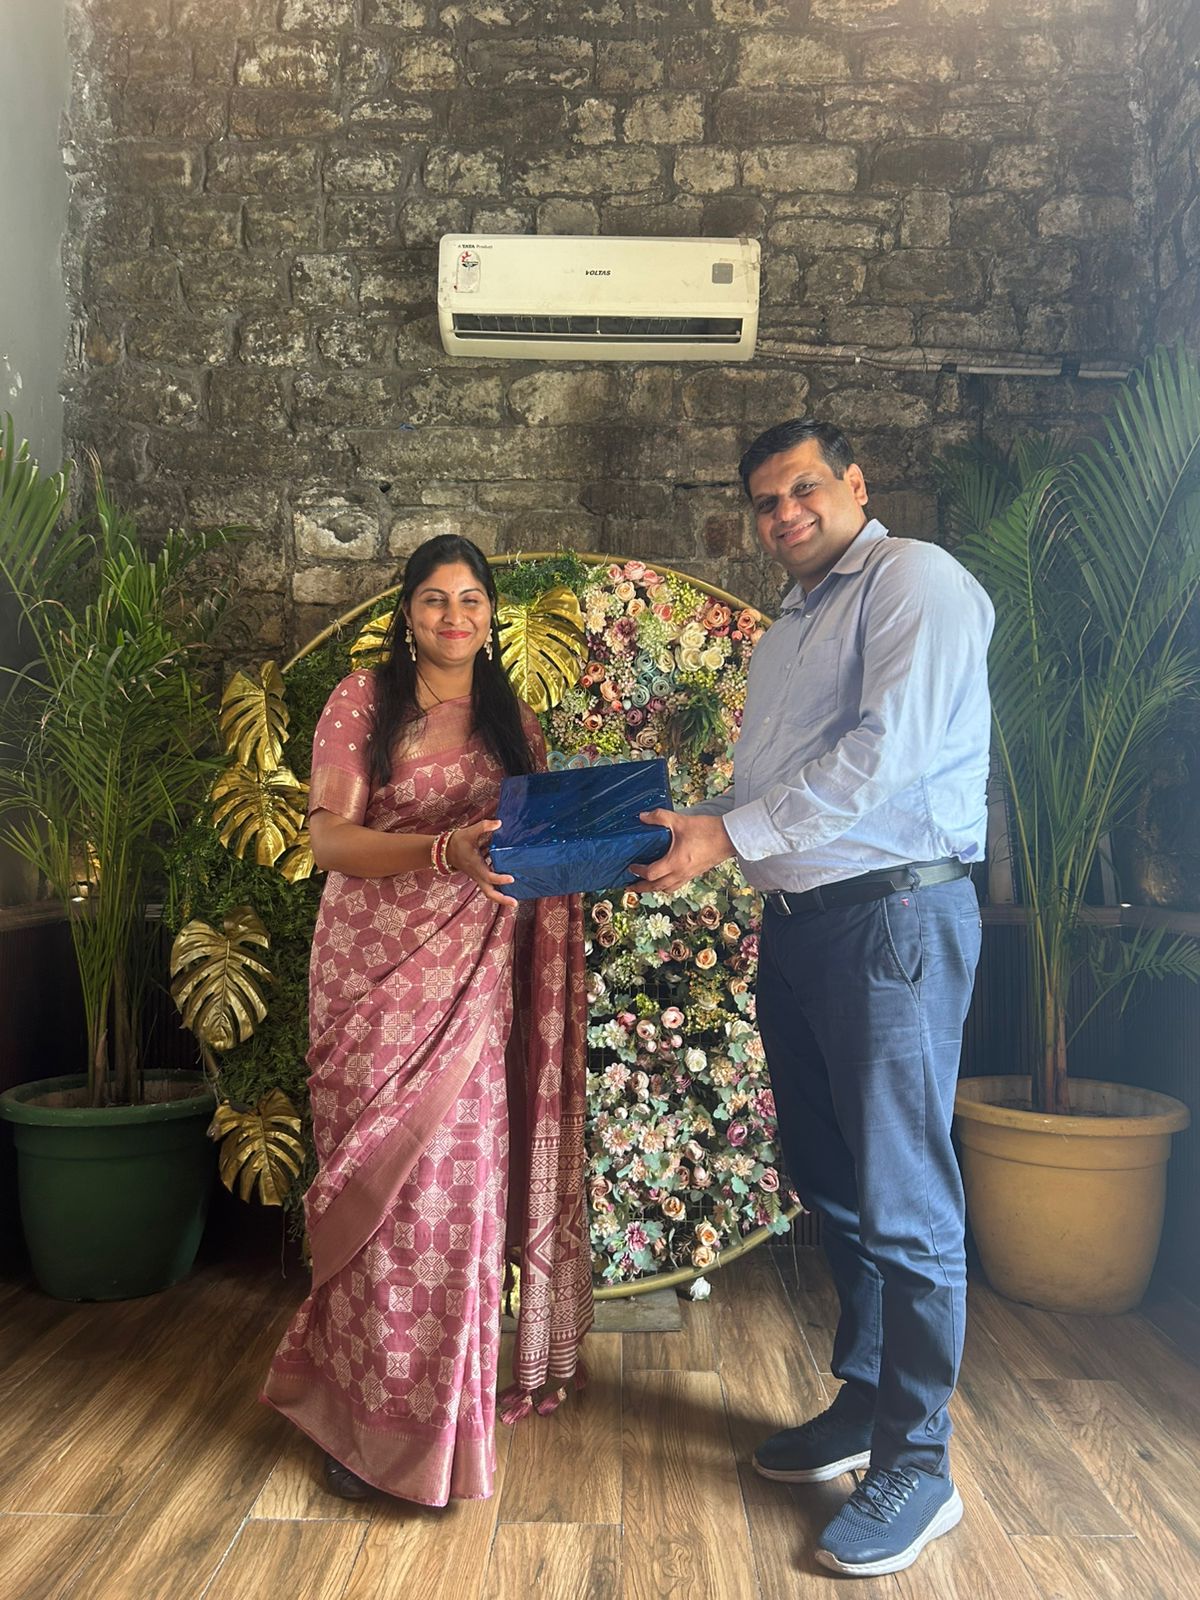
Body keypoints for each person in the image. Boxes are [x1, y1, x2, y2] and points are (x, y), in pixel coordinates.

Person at [634, 420, 994, 1578]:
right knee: (833, 1181)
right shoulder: (792, 626)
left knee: (904, 1195)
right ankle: (868, 1400)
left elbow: (883, 760)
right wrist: (696, 828)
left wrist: (722, 837)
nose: (783, 514)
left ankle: (920, 1462)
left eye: (802, 490)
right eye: (764, 501)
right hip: (801, 928)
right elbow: (786, 788)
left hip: (893, 921)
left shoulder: (914, 580)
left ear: (855, 484)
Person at [261, 535, 592, 1507]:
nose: (456, 615)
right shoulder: (362, 702)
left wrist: (617, 842)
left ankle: (441, 1433)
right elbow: (329, 842)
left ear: (491, 615)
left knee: (454, 1202)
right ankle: (360, 1424)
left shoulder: (511, 720)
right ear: (407, 613)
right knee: (380, 1200)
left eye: (472, 599)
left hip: (471, 989)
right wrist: (443, 852)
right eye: (436, 599)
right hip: (371, 980)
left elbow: (537, 850)